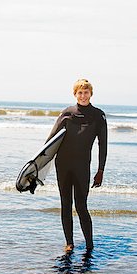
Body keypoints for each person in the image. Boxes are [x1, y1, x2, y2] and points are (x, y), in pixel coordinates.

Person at [47, 79, 107, 254]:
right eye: (79, 92)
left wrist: (101, 170)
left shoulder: (98, 115)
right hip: (63, 165)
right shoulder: (67, 113)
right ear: (75, 94)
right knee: (65, 204)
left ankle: (89, 245)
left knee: (81, 206)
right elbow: (51, 140)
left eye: (86, 92)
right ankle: (69, 243)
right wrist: (37, 168)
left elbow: (103, 144)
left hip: (82, 167)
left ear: (91, 94)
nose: (83, 95)